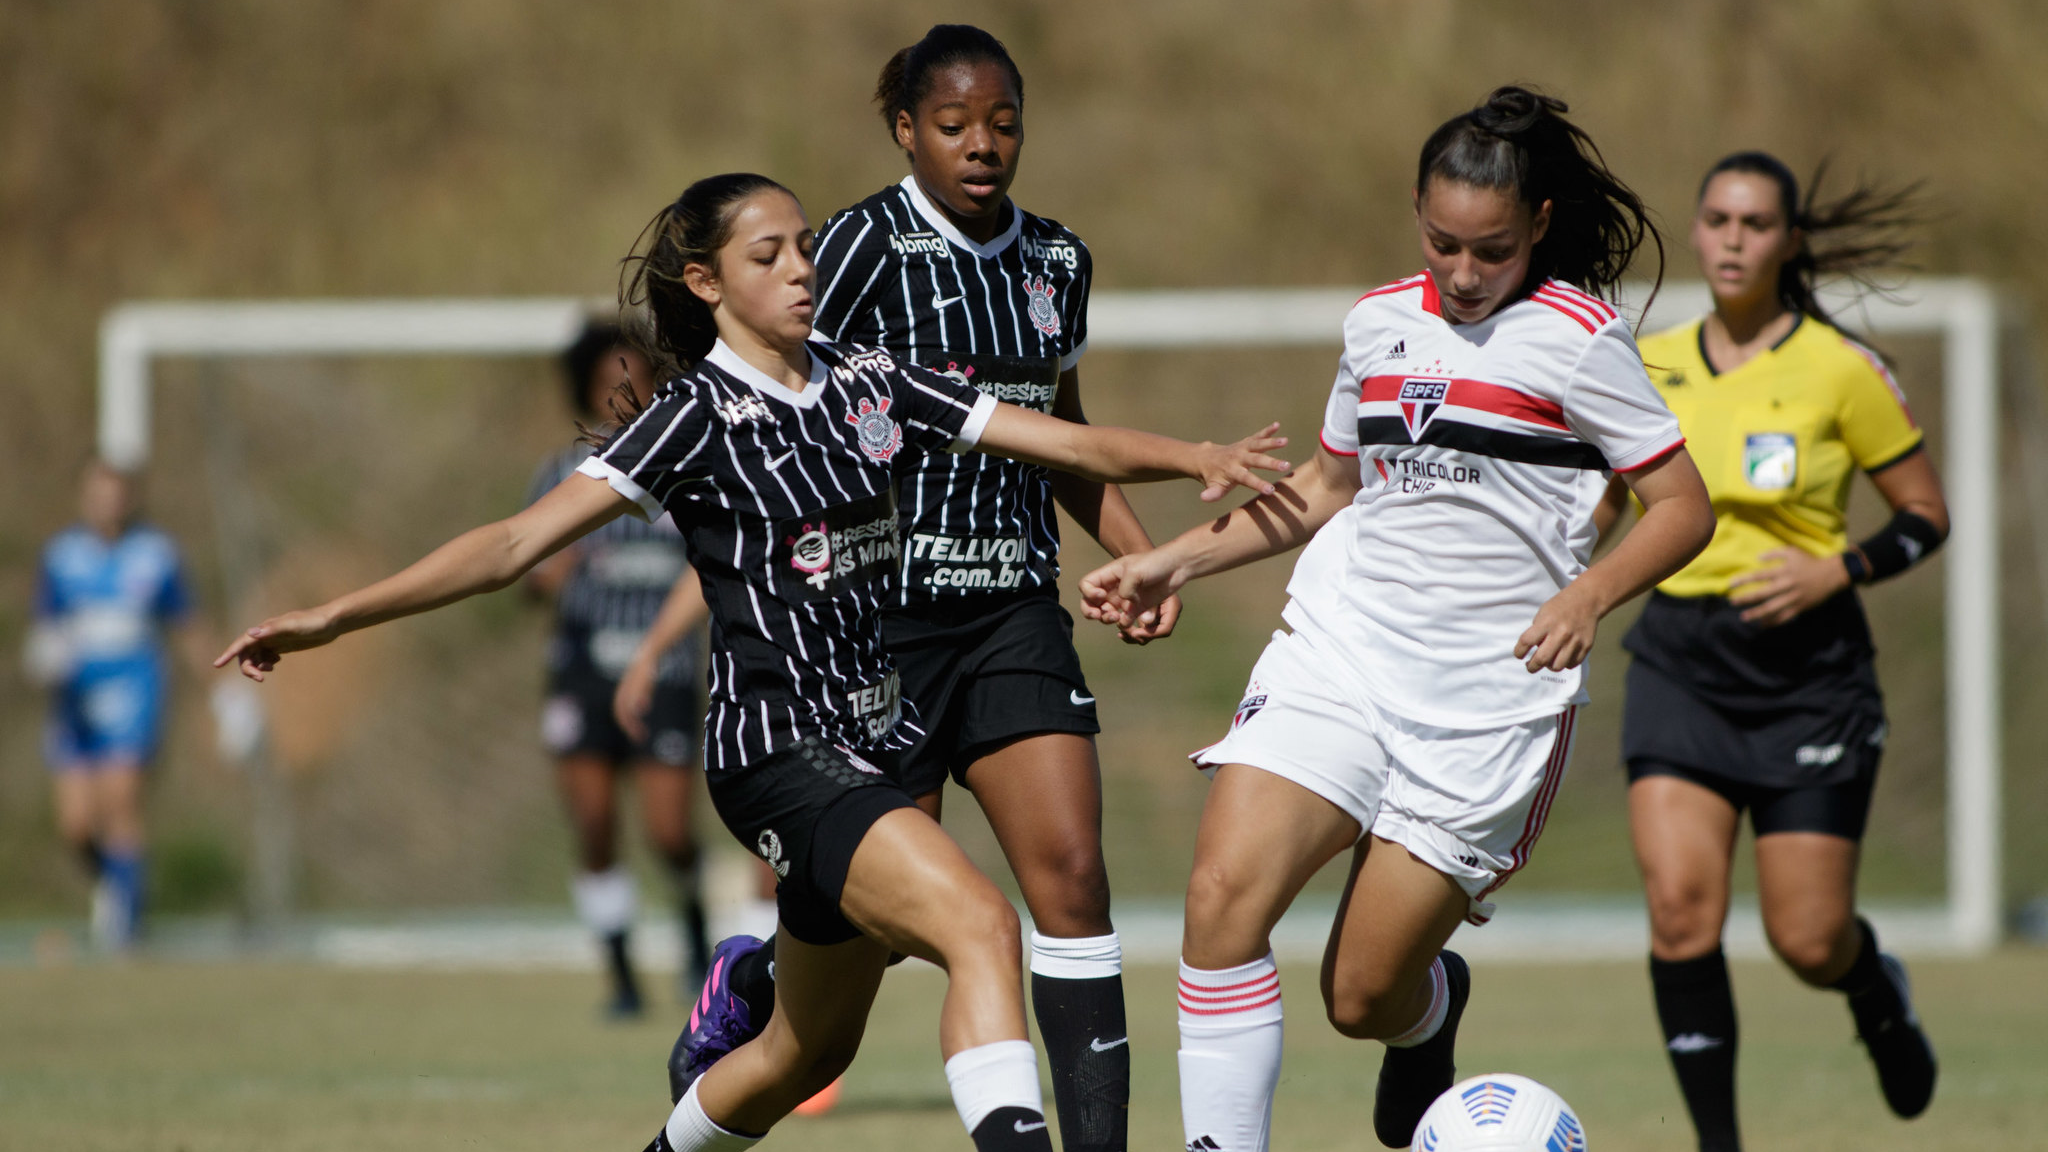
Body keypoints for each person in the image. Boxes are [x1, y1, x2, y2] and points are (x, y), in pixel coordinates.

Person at [215, 171, 1290, 1152]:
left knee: (802, 1053)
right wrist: (333, 616)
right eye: (766, 255)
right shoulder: (693, 421)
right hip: (776, 751)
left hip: (879, 738)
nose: (799, 271)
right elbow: (508, 546)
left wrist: (1193, 455)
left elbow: (1058, 439)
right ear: (707, 282)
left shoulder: (869, 384)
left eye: (803, 248)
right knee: (978, 924)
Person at [1078, 87, 1717, 1151]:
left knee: (1362, 996)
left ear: (1540, 228)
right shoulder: (1378, 322)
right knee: (1221, 895)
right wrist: (1172, 560)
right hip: (1344, 652)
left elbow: (1684, 506)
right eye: (1441, 244)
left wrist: (1586, 592)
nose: (1462, 274)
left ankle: (1431, 1013)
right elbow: (1330, 489)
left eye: (1490, 250)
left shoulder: (1579, 341)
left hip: (1483, 703)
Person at [639, 25, 1167, 1148]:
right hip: (881, 630)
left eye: (1002, 123)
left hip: (1015, 606)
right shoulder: (852, 251)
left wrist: (1134, 548)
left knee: (1070, 879)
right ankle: (754, 982)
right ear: (904, 132)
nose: (981, 146)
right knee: (869, 946)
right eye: (952, 125)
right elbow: (776, 410)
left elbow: (1058, 428)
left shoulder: (1057, 260)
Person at [1601, 151, 1941, 1152]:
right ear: (1696, 232)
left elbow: (1924, 515)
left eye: (1754, 223)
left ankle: (1871, 986)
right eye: (1715, 219)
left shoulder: (1840, 369)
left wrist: (1838, 569)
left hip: (1808, 678)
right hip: (1679, 661)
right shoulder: (1647, 362)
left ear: (1788, 241)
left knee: (1805, 938)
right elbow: (1598, 509)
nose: (1732, 239)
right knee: (1677, 912)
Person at [522, 321, 714, 1017]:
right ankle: (623, 977)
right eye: (608, 385)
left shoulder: (685, 470)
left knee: (669, 830)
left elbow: (711, 565)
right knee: (596, 823)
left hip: (660, 675)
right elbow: (525, 572)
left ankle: (696, 936)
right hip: (582, 674)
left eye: (634, 384)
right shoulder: (558, 475)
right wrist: (550, 575)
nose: (621, 398)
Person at [27, 460, 208, 951]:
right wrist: (45, 652)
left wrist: (227, 691)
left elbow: (188, 623)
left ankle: (128, 929)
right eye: (97, 493)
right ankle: (122, 886)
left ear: (131, 499)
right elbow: (47, 621)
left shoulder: (155, 554)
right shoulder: (61, 555)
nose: (107, 503)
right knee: (76, 825)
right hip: (75, 698)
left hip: (135, 687)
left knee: (120, 803)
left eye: (115, 494)